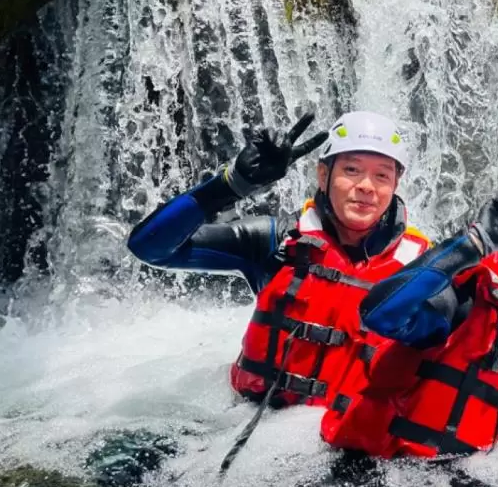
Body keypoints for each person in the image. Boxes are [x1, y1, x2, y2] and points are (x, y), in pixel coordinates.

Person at [127, 111, 431, 407]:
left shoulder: (423, 268)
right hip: (260, 427)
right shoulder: (277, 242)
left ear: (394, 186)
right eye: (351, 170)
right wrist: (230, 186)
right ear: (324, 175)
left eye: (382, 175)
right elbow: (150, 248)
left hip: (348, 439)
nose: (367, 186)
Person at [321, 201, 498, 457]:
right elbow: (379, 314)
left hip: (445, 482)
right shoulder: (460, 301)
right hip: (373, 473)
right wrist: (469, 247)